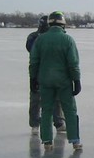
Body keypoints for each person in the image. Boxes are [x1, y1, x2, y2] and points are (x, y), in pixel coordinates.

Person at [29, 11, 83, 150]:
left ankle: (47, 141)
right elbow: (73, 63)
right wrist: (76, 80)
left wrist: (33, 78)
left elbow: (34, 61)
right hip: (64, 82)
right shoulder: (68, 40)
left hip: (45, 81)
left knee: (46, 110)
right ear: (63, 24)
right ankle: (75, 140)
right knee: (69, 110)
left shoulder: (40, 40)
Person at [25, 15, 65, 136]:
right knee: (36, 99)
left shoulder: (56, 37)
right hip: (38, 72)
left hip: (53, 72)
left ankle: (59, 122)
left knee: (57, 99)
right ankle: (35, 124)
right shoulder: (33, 37)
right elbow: (31, 49)